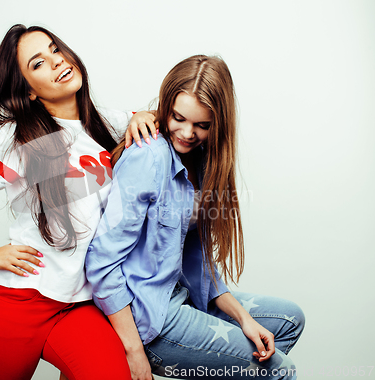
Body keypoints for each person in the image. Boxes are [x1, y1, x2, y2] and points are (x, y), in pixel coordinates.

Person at [0, 24, 156, 380]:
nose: (57, 61)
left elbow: (157, 122)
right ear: (29, 91)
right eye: (38, 63)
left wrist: (145, 115)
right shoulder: (17, 138)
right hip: (22, 302)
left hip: (80, 305)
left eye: (55, 49)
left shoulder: (106, 122)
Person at [86, 55, 305, 380]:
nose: (187, 133)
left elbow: (194, 256)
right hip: (148, 316)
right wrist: (132, 350)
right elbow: (100, 261)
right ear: (166, 105)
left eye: (202, 125)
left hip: (178, 293)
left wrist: (243, 317)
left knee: (288, 320)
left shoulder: (201, 161)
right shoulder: (149, 158)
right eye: (178, 118)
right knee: (280, 372)